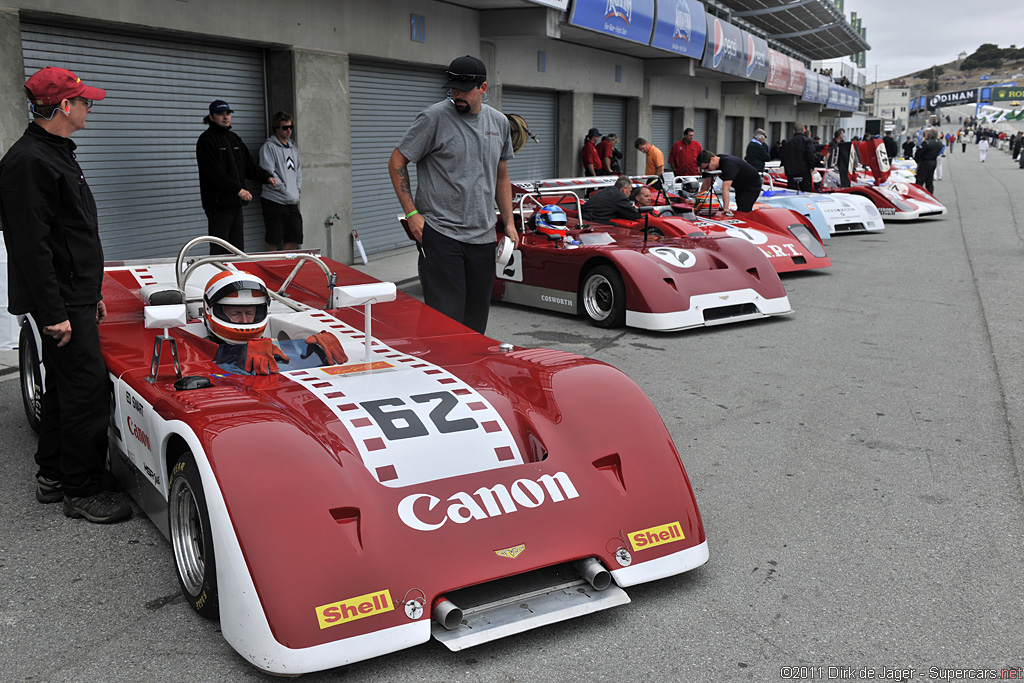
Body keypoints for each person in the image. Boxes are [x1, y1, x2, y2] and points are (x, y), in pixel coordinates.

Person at [0, 67, 131, 523]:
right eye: (84, 101)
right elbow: (31, 247)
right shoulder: (29, 162)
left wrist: (90, 290)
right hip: (58, 299)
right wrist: (56, 311)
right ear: (62, 108)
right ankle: (83, 488)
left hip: (73, 292)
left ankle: (54, 474)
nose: (90, 107)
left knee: (61, 386)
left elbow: (69, 233)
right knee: (87, 390)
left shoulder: (55, 152)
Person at [387, 55, 516, 335]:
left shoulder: (499, 123)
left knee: (475, 324)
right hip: (442, 235)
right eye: (453, 89)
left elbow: (501, 176)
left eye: (464, 90)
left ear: (482, 89)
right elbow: (396, 161)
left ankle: (469, 377)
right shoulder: (433, 118)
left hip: (483, 238)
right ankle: (437, 376)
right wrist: (412, 214)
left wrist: (509, 223)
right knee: (443, 324)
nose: (457, 95)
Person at [204, 271, 345, 375]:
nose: (245, 321)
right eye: (235, 314)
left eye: (250, 313)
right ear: (209, 310)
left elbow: (292, 361)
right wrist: (239, 354)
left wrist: (315, 350)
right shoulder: (200, 350)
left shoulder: (272, 346)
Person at [196, 100, 277, 255]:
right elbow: (214, 173)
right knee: (220, 250)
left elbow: (248, 166)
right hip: (218, 205)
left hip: (235, 204)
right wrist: (238, 189)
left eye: (227, 114)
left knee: (237, 249)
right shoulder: (206, 140)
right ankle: (219, 278)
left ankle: (236, 279)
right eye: (220, 114)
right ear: (212, 117)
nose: (225, 117)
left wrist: (266, 177)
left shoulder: (234, 139)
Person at [259, 111, 302, 251]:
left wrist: (296, 190)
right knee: (274, 238)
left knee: (295, 236)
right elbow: (269, 172)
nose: (288, 130)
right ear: (277, 128)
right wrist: (285, 190)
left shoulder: (293, 148)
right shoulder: (269, 147)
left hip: (291, 201)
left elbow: (298, 172)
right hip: (274, 200)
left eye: (291, 127)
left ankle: (284, 266)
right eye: (285, 127)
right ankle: (271, 267)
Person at [696, 150, 761, 215]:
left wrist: (726, 209)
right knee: (740, 204)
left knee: (743, 209)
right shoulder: (715, 163)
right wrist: (698, 200)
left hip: (752, 185)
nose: (707, 170)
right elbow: (707, 182)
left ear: (712, 159)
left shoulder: (729, 165)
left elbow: (726, 189)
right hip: (740, 185)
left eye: (707, 167)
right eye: (704, 169)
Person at [779, 122, 817, 191]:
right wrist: (811, 166)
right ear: (804, 130)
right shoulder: (807, 141)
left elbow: (782, 156)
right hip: (804, 171)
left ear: (793, 131)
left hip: (791, 172)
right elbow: (811, 155)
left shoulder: (787, 143)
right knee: (806, 193)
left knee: (791, 192)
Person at [914, 130, 942, 194]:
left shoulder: (926, 143)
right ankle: (930, 195)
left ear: (930, 135)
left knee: (920, 181)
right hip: (933, 162)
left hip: (925, 162)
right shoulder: (939, 143)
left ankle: (917, 195)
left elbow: (919, 153)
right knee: (929, 181)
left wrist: (917, 160)